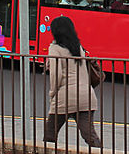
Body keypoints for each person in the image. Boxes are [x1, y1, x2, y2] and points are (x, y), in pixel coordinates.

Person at [43, 16, 102, 148]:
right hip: (86, 96)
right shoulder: (78, 47)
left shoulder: (54, 48)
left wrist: (52, 93)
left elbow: (55, 75)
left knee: (50, 134)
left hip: (65, 96)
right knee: (89, 135)